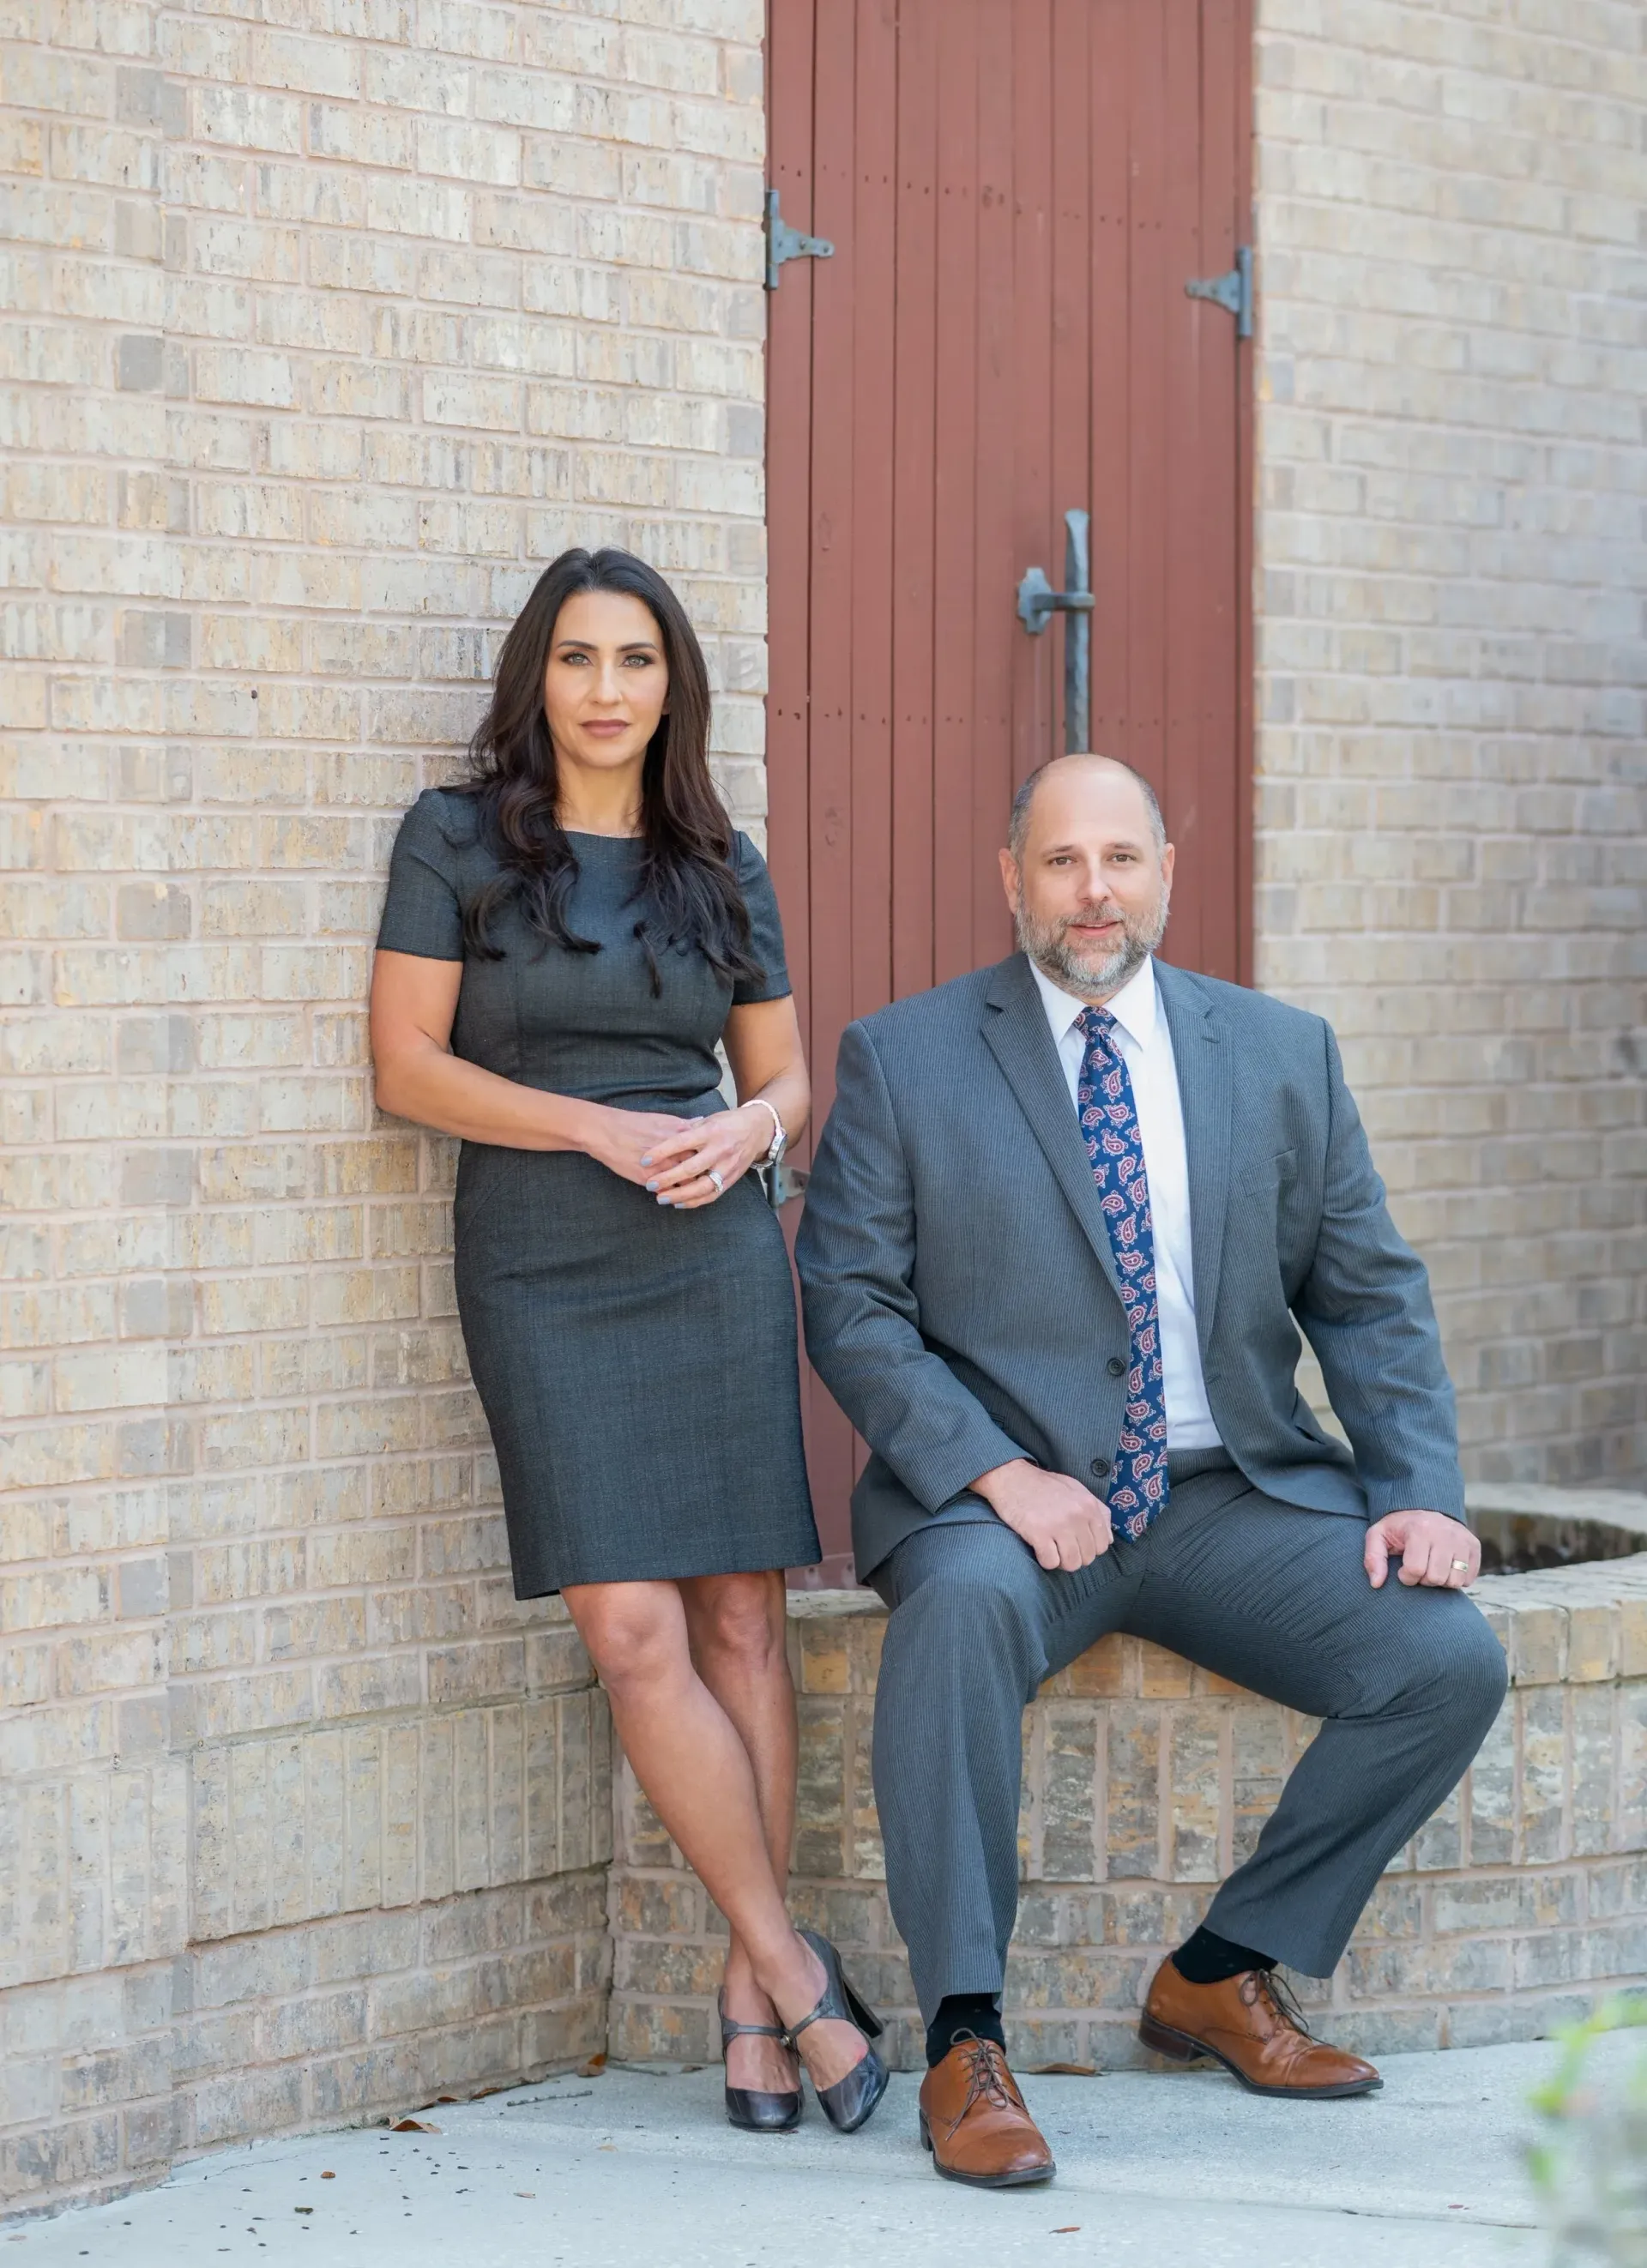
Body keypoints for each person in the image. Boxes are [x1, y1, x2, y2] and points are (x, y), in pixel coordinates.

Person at [794, 752, 1507, 2187]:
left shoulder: (1282, 1051)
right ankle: (965, 2041)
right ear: (1012, 878)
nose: (1093, 891)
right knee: (957, 1617)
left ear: (1166, 871)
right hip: (1008, 1509)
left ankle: (1221, 1973)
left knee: (1447, 1662)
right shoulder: (906, 1057)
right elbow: (850, 1302)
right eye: (1061, 861)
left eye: (1120, 857)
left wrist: (1418, 1488)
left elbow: (1367, 1292)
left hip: (1227, 1492)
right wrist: (997, 1476)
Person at [371, 546, 887, 2137]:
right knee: (630, 1630)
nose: (607, 691)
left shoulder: (719, 860)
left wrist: (750, 1136)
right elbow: (405, 1067)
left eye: (638, 661)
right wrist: (594, 1128)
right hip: (542, 1255)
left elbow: (787, 1079)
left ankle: (745, 1998)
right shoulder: (456, 838)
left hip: (708, 1250)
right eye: (580, 659)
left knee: (741, 1620)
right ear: (538, 676)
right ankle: (796, 1972)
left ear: (675, 687)